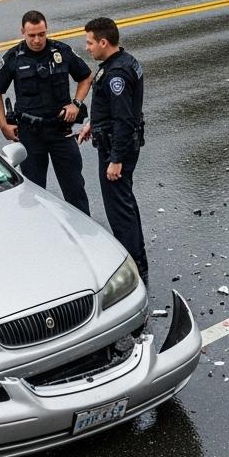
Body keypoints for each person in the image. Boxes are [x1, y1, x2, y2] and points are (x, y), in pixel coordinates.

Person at [0, 10, 92, 214]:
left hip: (61, 132)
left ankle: (83, 238)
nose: (37, 40)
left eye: (41, 34)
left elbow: (86, 77)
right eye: (32, 35)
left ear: (46, 30)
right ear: (23, 32)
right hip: (30, 134)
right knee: (33, 194)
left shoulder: (61, 52)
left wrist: (76, 104)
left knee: (75, 189)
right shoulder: (14, 57)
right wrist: (3, 125)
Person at [77, 17, 149, 285]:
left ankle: (135, 266)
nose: (88, 48)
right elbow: (112, 109)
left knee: (119, 210)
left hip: (116, 149)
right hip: (116, 142)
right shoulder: (123, 61)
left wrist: (116, 159)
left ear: (103, 42)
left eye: (90, 42)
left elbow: (123, 118)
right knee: (125, 203)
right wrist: (92, 124)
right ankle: (137, 257)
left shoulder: (116, 74)